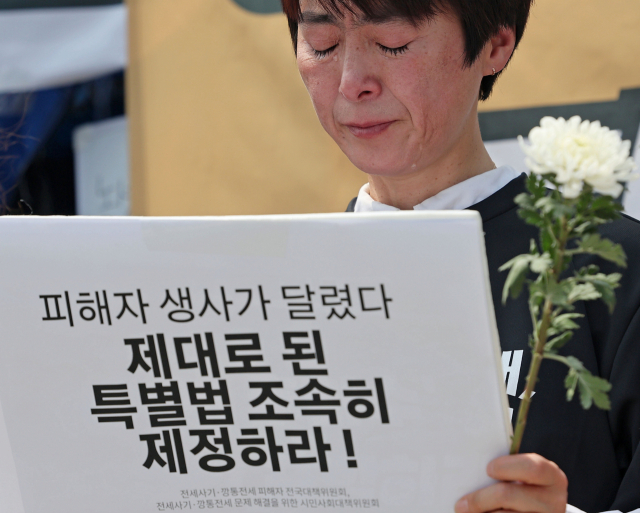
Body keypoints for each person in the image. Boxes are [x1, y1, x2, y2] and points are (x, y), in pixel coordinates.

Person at [280, 0, 640, 512]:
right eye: (323, 46)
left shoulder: (611, 265)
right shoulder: (271, 287)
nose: (351, 82)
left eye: (393, 43)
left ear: (495, 43)